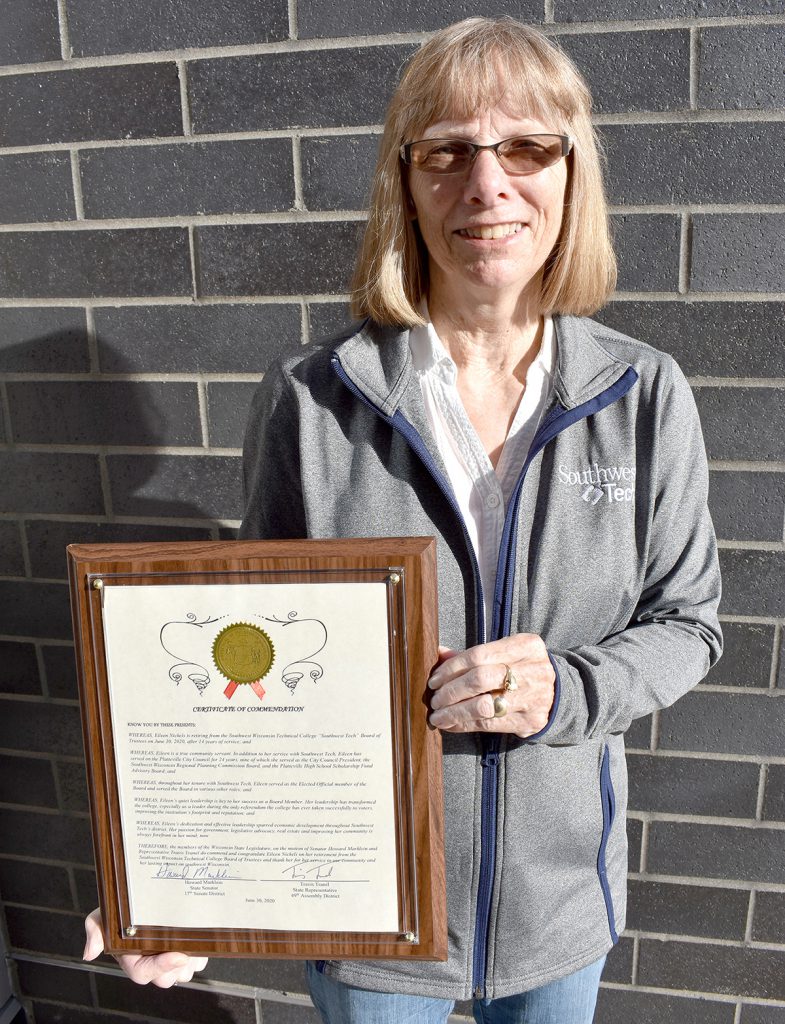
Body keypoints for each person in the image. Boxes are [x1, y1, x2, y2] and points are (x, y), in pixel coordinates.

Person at [84, 17, 722, 1022]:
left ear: (569, 173)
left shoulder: (642, 393)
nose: (486, 184)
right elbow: (240, 673)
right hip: (367, 920)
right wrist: (190, 886)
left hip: (557, 910)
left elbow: (688, 622)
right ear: (405, 179)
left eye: (523, 147)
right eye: (448, 151)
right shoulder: (310, 395)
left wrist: (567, 685)